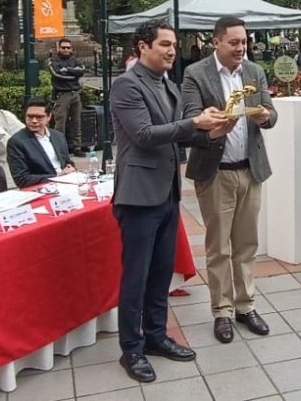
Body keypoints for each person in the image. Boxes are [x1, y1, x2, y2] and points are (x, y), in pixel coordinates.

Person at [110, 19, 230, 383]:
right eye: (164, 44)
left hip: (166, 192)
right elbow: (145, 136)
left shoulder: (169, 86)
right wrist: (196, 122)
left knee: (162, 273)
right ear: (143, 47)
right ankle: (131, 348)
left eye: (174, 45)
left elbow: (176, 138)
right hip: (137, 196)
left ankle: (157, 336)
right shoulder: (126, 85)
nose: (171, 51)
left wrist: (211, 133)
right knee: (136, 276)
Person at [182, 16, 278, 344]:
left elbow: (271, 112)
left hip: (250, 170)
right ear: (217, 42)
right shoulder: (196, 74)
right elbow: (189, 117)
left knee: (247, 244)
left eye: (244, 42)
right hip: (215, 172)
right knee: (219, 246)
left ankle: (245, 305)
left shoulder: (254, 72)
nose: (241, 48)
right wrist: (209, 124)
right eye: (234, 42)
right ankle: (221, 310)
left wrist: (266, 116)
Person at [6, 98, 77, 187]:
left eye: (39, 117)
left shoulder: (58, 136)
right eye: (30, 116)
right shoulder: (16, 142)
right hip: (40, 189)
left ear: (49, 117)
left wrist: (70, 167)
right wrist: (58, 176)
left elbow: (66, 162)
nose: (34, 121)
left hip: (66, 184)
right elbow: (21, 179)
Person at [49, 38, 87, 157]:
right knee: (60, 123)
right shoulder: (53, 61)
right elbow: (57, 74)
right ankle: (59, 148)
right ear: (58, 48)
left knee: (77, 122)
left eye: (68, 47)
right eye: (63, 47)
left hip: (75, 93)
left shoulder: (75, 60)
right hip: (62, 94)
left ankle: (77, 147)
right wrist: (74, 75)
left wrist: (68, 70)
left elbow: (82, 71)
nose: (66, 50)